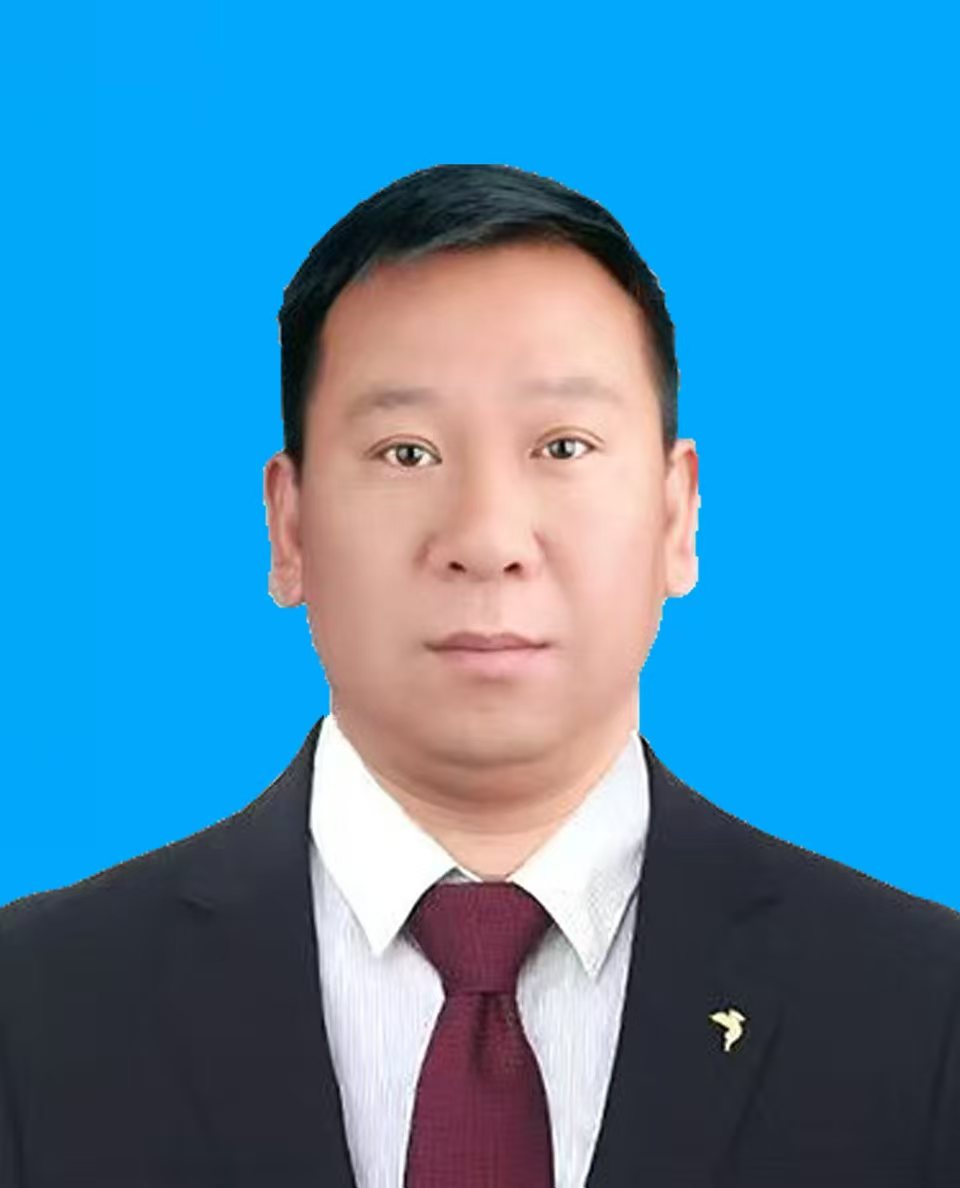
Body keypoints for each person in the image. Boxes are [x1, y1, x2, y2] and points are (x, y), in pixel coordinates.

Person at [1, 164, 958, 1188]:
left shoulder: (922, 1007)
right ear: (289, 528)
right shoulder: (36, 1005)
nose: (488, 539)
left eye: (563, 445)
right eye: (406, 452)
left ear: (677, 514)